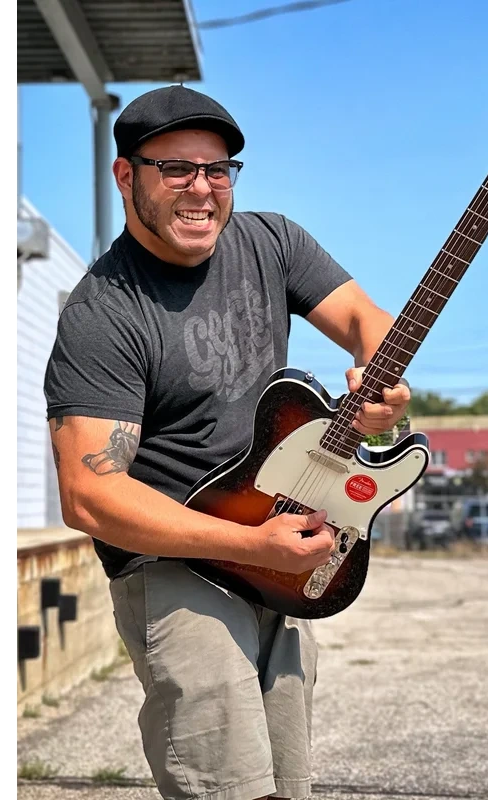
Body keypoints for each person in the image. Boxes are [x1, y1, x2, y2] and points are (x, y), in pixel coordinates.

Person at [44, 84, 410, 800]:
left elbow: (371, 321)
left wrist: (384, 389)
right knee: (226, 786)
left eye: (219, 170)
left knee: (287, 785)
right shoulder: (103, 312)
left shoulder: (271, 242)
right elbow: (90, 495)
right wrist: (250, 546)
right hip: (178, 565)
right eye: (176, 168)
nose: (202, 190)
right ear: (127, 176)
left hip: (281, 550)